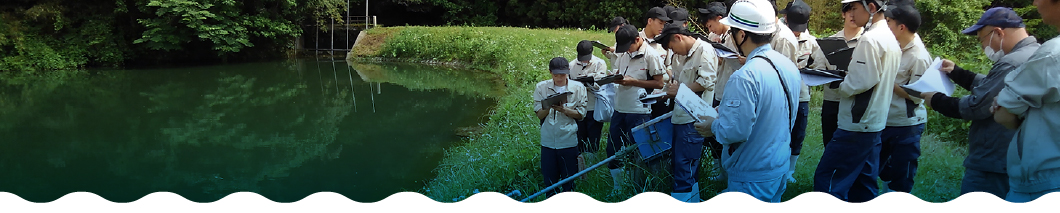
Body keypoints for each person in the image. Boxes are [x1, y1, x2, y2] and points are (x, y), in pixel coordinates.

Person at [918, 7, 1039, 199]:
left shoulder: (1011, 62)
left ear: (998, 32)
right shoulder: (1035, 54)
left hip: (993, 160)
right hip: (1016, 156)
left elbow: (976, 106)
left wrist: (936, 100)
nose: (983, 47)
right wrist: (958, 73)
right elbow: (995, 86)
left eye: (982, 40)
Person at [694, 0, 801, 203]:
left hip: (752, 174)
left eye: (733, 31)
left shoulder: (745, 76)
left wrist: (713, 126)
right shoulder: (787, 66)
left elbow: (734, 132)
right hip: (778, 166)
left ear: (742, 34)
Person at [812, 0, 901, 202]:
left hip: (857, 123)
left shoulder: (870, 39)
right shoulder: (889, 36)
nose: (850, 13)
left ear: (870, 8)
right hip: (874, 122)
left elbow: (860, 82)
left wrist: (839, 83)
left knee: (829, 178)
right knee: (864, 182)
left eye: (854, 8)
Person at [991, 0, 1060, 203]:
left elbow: (1004, 113)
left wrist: (1005, 103)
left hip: (1043, 183)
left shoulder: (1052, 54)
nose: (1034, 2)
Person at [655, 24, 719, 202]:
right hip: (680, 114)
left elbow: (706, 82)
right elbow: (677, 81)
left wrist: (679, 91)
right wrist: (666, 92)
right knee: (684, 164)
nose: (672, 51)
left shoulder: (704, 51)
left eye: (671, 46)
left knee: (685, 165)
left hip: (694, 117)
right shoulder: (680, 54)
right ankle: (693, 201)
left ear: (678, 37)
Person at [606, 24, 667, 192]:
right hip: (620, 107)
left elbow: (659, 83)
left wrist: (633, 81)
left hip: (639, 110)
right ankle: (618, 187)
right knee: (613, 148)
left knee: (638, 151)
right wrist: (614, 77)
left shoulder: (651, 55)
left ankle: (637, 187)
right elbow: (619, 70)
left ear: (638, 40)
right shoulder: (624, 53)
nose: (627, 51)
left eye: (629, 46)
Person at [877, 4, 929, 194]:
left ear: (901, 27)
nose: (885, 26)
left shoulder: (919, 56)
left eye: (888, 22)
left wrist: (885, 77)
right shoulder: (891, 46)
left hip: (906, 124)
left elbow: (917, 96)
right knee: (881, 168)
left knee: (902, 174)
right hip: (885, 119)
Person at [779, 0, 825, 184]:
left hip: (801, 95)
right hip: (781, 95)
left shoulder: (811, 42)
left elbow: (818, 63)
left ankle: (790, 170)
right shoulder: (778, 37)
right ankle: (778, 166)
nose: (796, 31)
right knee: (780, 132)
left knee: (798, 133)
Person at [696, 0, 740, 182]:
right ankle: (720, 170)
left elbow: (737, 62)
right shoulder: (723, 37)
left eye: (711, 25)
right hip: (721, 90)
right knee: (716, 136)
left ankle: (729, 172)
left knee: (726, 134)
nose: (711, 29)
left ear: (721, 19)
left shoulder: (733, 37)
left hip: (730, 92)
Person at [533, 57, 588, 197]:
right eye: (555, 75)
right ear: (550, 72)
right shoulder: (541, 87)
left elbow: (581, 114)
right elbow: (539, 115)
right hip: (548, 142)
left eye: (562, 75)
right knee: (549, 183)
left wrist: (563, 109)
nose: (559, 78)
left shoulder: (578, 88)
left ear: (568, 72)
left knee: (569, 183)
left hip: (569, 141)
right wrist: (549, 106)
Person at [821, 5, 863, 150]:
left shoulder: (868, 42)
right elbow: (820, 69)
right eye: (849, 11)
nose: (852, 16)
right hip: (831, 100)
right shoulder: (829, 41)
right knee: (829, 145)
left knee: (851, 149)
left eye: (856, 11)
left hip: (855, 102)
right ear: (843, 14)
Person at [570, 40, 611, 172]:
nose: (584, 62)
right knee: (579, 137)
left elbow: (600, 84)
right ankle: (580, 166)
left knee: (593, 138)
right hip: (578, 107)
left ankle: (592, 167)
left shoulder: (600, 63)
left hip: (594, 106)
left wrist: (588, 80)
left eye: (586, 59)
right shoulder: (571, 65)